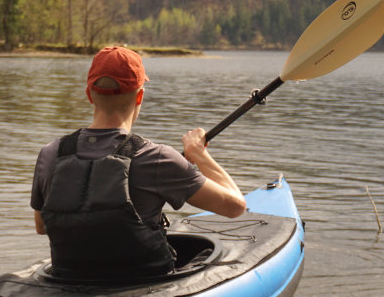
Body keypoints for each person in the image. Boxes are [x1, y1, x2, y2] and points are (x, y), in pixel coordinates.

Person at [30, 46, 245, 280]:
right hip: (142, 282)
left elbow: (42, 226)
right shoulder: (158, 157)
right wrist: (199, 155)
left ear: (89, 94)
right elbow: (235, 207)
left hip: (68, 279)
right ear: (140, 96)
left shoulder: (50, 154)